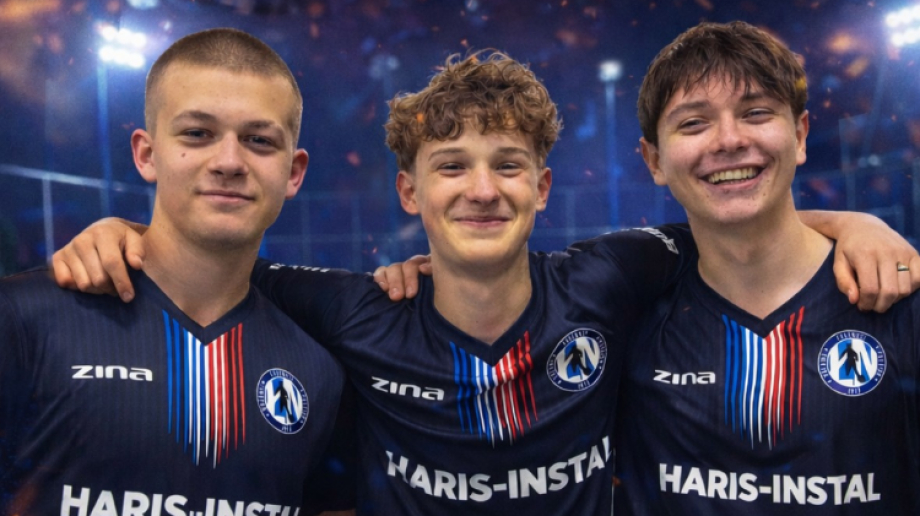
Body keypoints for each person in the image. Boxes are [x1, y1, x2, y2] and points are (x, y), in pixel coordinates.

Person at [51, 50, 919, 515]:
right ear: (410, 192)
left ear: (542, 188)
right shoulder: (353, 310)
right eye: (451, 166)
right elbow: (210, 262)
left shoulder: (612, 277)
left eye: (508, 165)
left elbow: (735, 221)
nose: (481, 190)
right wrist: (127, 233)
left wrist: (856, 224)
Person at [0, 28, 348, 516]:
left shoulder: (322, 369)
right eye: (198, 134)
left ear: (293, 172)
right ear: (147, 154)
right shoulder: (22, 319)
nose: (229, 161)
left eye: (259, 140)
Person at [613, 21, 920, 514]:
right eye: (693, 123)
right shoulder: (625, 316)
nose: (729, 139)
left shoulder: (899, 299)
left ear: (799, 135)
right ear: (654, 160)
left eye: (755, 113)